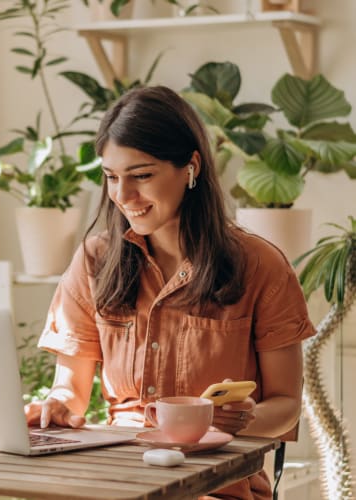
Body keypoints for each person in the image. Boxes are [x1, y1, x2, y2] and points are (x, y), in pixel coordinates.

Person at [25, 86, 316, 499]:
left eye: (141, 176)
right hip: (115, 479)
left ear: (191, 167)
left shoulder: (260, 265)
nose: (123, 197)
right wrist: (55, 406)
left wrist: (242, 420)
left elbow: (286, 401)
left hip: (217, 485)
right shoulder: (96, 259)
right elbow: (69, 391)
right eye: (111, 177)